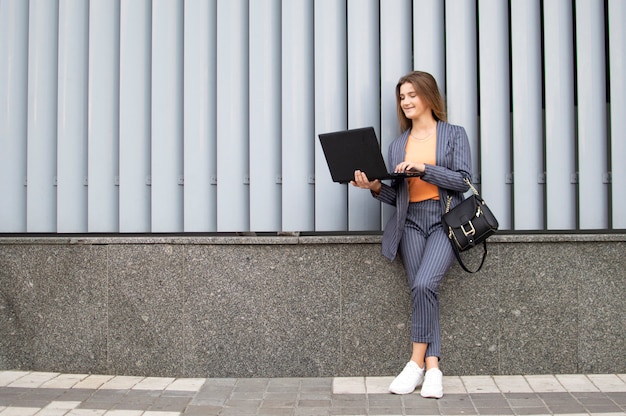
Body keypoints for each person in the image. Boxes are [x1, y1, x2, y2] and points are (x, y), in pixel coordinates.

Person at [351, 71, 472, 398]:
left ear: (429, 96)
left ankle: (415, 363)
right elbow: (398, 197)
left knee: (424, 284)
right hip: (411, 223)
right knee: (422, 292)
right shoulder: (397, 145)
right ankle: (433, 369)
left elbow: (463, 182)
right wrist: (375, 187)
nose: (405, 102)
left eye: (411, 95)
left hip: (445, 219)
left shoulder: (453, 135)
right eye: (402, 97)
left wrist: (423, 169)